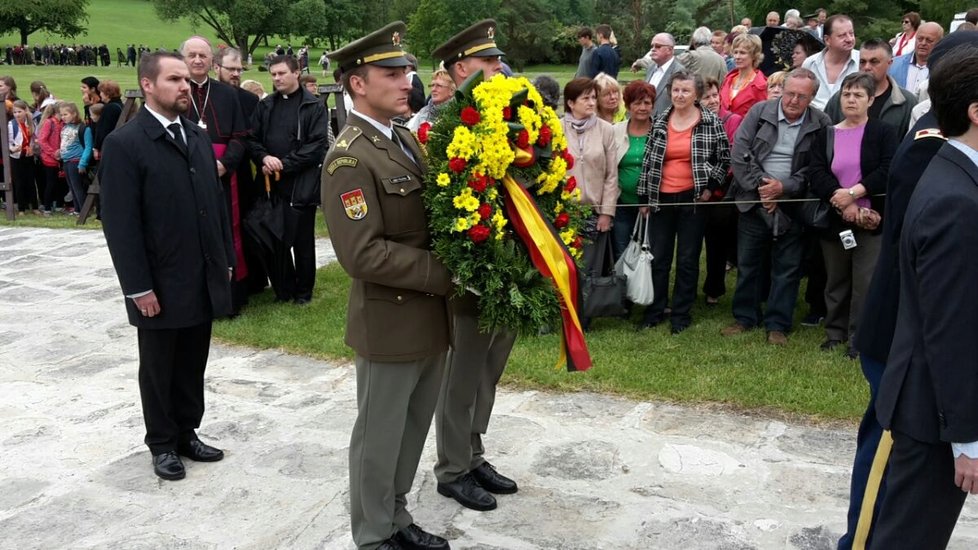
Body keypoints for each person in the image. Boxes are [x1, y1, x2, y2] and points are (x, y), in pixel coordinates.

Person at [837, 31, 978, 550]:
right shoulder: (932, 153)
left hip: (923, 336)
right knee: (889, 477)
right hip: (906, 338)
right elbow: (939, 273)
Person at [323, 21, 452, 550]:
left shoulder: (400, 138)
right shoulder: (350, 157)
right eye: (392, 72)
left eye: (407, 70)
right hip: (390, 317)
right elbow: (362, 253)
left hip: (426, 317)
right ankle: (374, 534)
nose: (407, 80)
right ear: (358, 83)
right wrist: (445, 274)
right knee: (378, 436)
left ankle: (396, 515)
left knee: (412, 428)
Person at [99, 51, 234, 482]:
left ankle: (187, 431)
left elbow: (212, 207)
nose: (184, 86)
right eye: (174, 79)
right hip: (158, 279)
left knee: (194, 360)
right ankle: (161, 443)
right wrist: (138, 287)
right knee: (158, 366)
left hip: (199, 273)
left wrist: (224, 262)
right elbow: (120, 224)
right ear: (148, 85)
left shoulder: (195, 135)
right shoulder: (126, 144)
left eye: (185, 80)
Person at [430, 19, 520, 514]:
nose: (499, 69)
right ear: (463, 68)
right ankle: (452, 468)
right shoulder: (448, 125)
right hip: (469, 274)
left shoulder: (501, 119)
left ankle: (473, 449)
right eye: (489, 64)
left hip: (505, 265)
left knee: (488, 368)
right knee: (463, 372)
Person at [722, 68, 831, 345]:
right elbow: (739, 154)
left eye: (801, 96)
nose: (793, 100)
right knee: (748, 264)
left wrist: (784, 189)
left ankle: (778, 324)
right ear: (782, 89)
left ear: (812, 97)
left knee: (788, 267)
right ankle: (745, 317)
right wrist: (765, 190)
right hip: (753, 200)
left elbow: (817, 168)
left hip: (793, 205)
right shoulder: (760, 112)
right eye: (790, 93)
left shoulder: (821, 123)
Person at [809, 72, 897, 358]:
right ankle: (834, 333)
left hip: (872, 220)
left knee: (865, 281)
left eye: (858, 94)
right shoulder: (827, 134)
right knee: (836, 279)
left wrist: (856, 194)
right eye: (847, 93)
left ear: (870, 100)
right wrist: (843, 202)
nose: (851, 99)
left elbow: (888, 169)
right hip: (836, 219)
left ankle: (859, 338)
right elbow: (817, 173)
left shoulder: (883, 132)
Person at [636, 71, 730, 333]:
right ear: (670, 92)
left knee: (688, 259)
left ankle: (681, 313)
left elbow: (724, 159)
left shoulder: (710, 121)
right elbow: (648, 161)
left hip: (693, 199)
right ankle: (655, 310)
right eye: (676, 90)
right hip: (661, 198)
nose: (679, 95)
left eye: (686, 91)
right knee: (660, 257)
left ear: (696, 94)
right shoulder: (660, 121)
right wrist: (644, 196)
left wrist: (711, 187)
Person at [244, 54, 329, 305]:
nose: (277, 78)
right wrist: (264, 158)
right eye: (273, 74)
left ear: (296, 73)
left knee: (302, 241)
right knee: (276, 238)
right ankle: (284, 289)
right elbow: (251, 138)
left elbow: (317, 145)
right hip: (271, 183)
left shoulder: (313, 106)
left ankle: (303, 292)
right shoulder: (266, 105)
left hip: (301, 184)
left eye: (281, 73)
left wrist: (285, 163)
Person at [180, 36, 251, 314]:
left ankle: (231, 297)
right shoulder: (176, 91)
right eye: (192, 55)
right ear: (183, 58)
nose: (198, 60)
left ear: (212, 62)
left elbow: (241, 135)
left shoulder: (226, 94)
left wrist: (224, 164)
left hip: (224, 172)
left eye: (203, 56)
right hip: (186, 171)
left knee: (228, 229)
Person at [700, 77, 743, 306]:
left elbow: (733, 157)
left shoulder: (732, 120)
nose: (713, 100)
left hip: (722, 192)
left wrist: (711, 181)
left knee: (717, 243)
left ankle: (714, 288)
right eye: (706, 97)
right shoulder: (693, 122)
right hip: (695, 191)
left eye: (715, 95)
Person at [825, 39, 917, 137]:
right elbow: (825, 134)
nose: (867, 67)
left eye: (874, 62)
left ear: (889, 63)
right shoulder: (841, 98)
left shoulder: (906, 102)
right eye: (862, 62)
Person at [612, 80, 656, 258]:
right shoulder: (615, 131)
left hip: (652, 206)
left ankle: (646, 286)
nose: (642, 107)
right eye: (637, 103)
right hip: (622, 203)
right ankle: (622, 286)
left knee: (648, 253)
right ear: (628, 105)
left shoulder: (660, 131)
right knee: (622, 252)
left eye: (647, 102)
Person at [802, 15, 860, 110]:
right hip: (815, 122)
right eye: (842, 35)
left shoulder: (862, 62)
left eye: (851, 33)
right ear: (827, 40)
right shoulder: (810, 63)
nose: (849, 39)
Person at [888, 22, 944, 96]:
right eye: (920, 39)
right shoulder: (893, 64)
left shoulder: (944, 69)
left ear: (939, 42)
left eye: (929, 40)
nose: (923, 43)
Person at [719, 33, 768, 117]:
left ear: (754, 55)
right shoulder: (728, 79)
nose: (737, 57)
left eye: (742, 53)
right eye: (735, 52)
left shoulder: (761, 85)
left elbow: (762, 116)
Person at [58, 102, 93, 216]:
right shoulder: (65, 127)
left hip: (76, 160)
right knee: (71, 187)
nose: (63, 117)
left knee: (78, 187)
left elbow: (88, 146)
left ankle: (84, 210)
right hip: (66, 160)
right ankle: (77, 209)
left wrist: (82, 163)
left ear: (74, 114)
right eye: (61, 115)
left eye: (66, 114)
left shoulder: (83, 128)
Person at [7, 99, 39, 214]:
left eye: (19, 112)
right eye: (15, 112)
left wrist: (32, 148)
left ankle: (35, 207)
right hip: (16, 156)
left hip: (28, 155)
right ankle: (21, 208)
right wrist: (12, 148)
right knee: (19, 182)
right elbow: (9, 141)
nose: (17, 115)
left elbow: (34, 138)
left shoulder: (31, 122)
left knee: (31, 181)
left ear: (25, 111)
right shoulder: (12, 124)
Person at [645, 33, 685, 116]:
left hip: (667, 122)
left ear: (670, 50)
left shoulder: (679, 72)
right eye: (652, 46)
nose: (653, 49)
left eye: (658, 46)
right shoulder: (651, 68)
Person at [35, 102, 63, 213]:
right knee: (50, 182)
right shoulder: (49, 122)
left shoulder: (61, 123)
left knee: (59, 182)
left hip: (60, 157)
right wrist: (52, 152)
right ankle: (47, 206)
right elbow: (42, 140)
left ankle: (58, 204)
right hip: (49, 158)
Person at [94, 80, 124, 157]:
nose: (100, 94)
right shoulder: (121, 105)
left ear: (107, 94)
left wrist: (97, 147)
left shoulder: (109, 108)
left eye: (101, 92)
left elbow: (104, 129)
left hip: (110, 147)